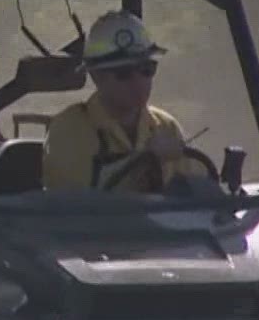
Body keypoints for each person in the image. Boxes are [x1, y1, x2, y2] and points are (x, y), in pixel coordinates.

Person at [41, 10, 210, 193]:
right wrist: (147, 162)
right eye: (123, 73)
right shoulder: (68, 129)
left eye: (147, 69)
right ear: (96, 76)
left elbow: (197, 195)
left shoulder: (166, 126)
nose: (138, 82)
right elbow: (78, 205)